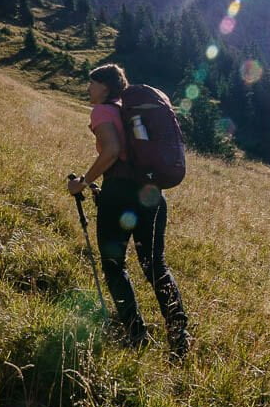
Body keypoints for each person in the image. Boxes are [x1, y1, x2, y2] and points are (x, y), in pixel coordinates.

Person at [67, 64, 193, 360]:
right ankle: (179, 335)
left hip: (119, 195)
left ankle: (137, 335)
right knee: (154, 266)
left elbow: (110, 151)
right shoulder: (131, 111)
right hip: (151, 195)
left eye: (93, 83)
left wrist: (84, 183)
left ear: (105, 87)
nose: (88, 88)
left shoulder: (103, 111)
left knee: (114, 264)